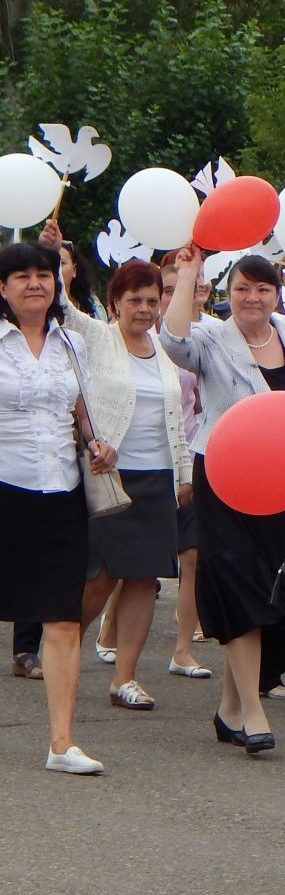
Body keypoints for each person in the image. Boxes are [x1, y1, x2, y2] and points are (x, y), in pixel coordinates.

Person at [162, 245, 285, 752]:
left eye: (262, 288)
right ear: (228, 293)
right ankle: (253, 712)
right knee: (236, 578)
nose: (252, 297)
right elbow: (172, 339)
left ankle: (229, 708)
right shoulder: (211, 336)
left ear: (277, 294)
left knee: (272, 585)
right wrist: (190, 274)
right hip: (224, 473)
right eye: (242, 288)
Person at [46, 251, 193, 711]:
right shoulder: (97, 337)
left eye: (153, 300)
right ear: (115, 303)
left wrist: (184, 476)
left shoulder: (165, 352)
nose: (146, 309)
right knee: (101, 576)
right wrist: (56, 261)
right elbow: (64, 310)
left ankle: (124, 678)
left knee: (143, 578)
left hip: (157, 477)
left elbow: (177, 422)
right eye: (135, 300)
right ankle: (62, 645)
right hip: (109, 474)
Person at [0, 240, 118, 772]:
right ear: (2, 288)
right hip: (5, 486)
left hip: (61, 493)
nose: (34, 283)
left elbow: (82, 413)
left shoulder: (70, 345)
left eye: (44, 274)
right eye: (21, 275)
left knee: (62, 617)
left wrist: (99, 443)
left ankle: (62, 742)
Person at [158, 254, 213, 679]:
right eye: (170, 289)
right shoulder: (136, 337)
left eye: (192, 287)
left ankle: (182, 647)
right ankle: (108, 631)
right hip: (144, 458)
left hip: (189, 455)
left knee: (192, 554)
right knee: (135, 569)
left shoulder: (207, 336)